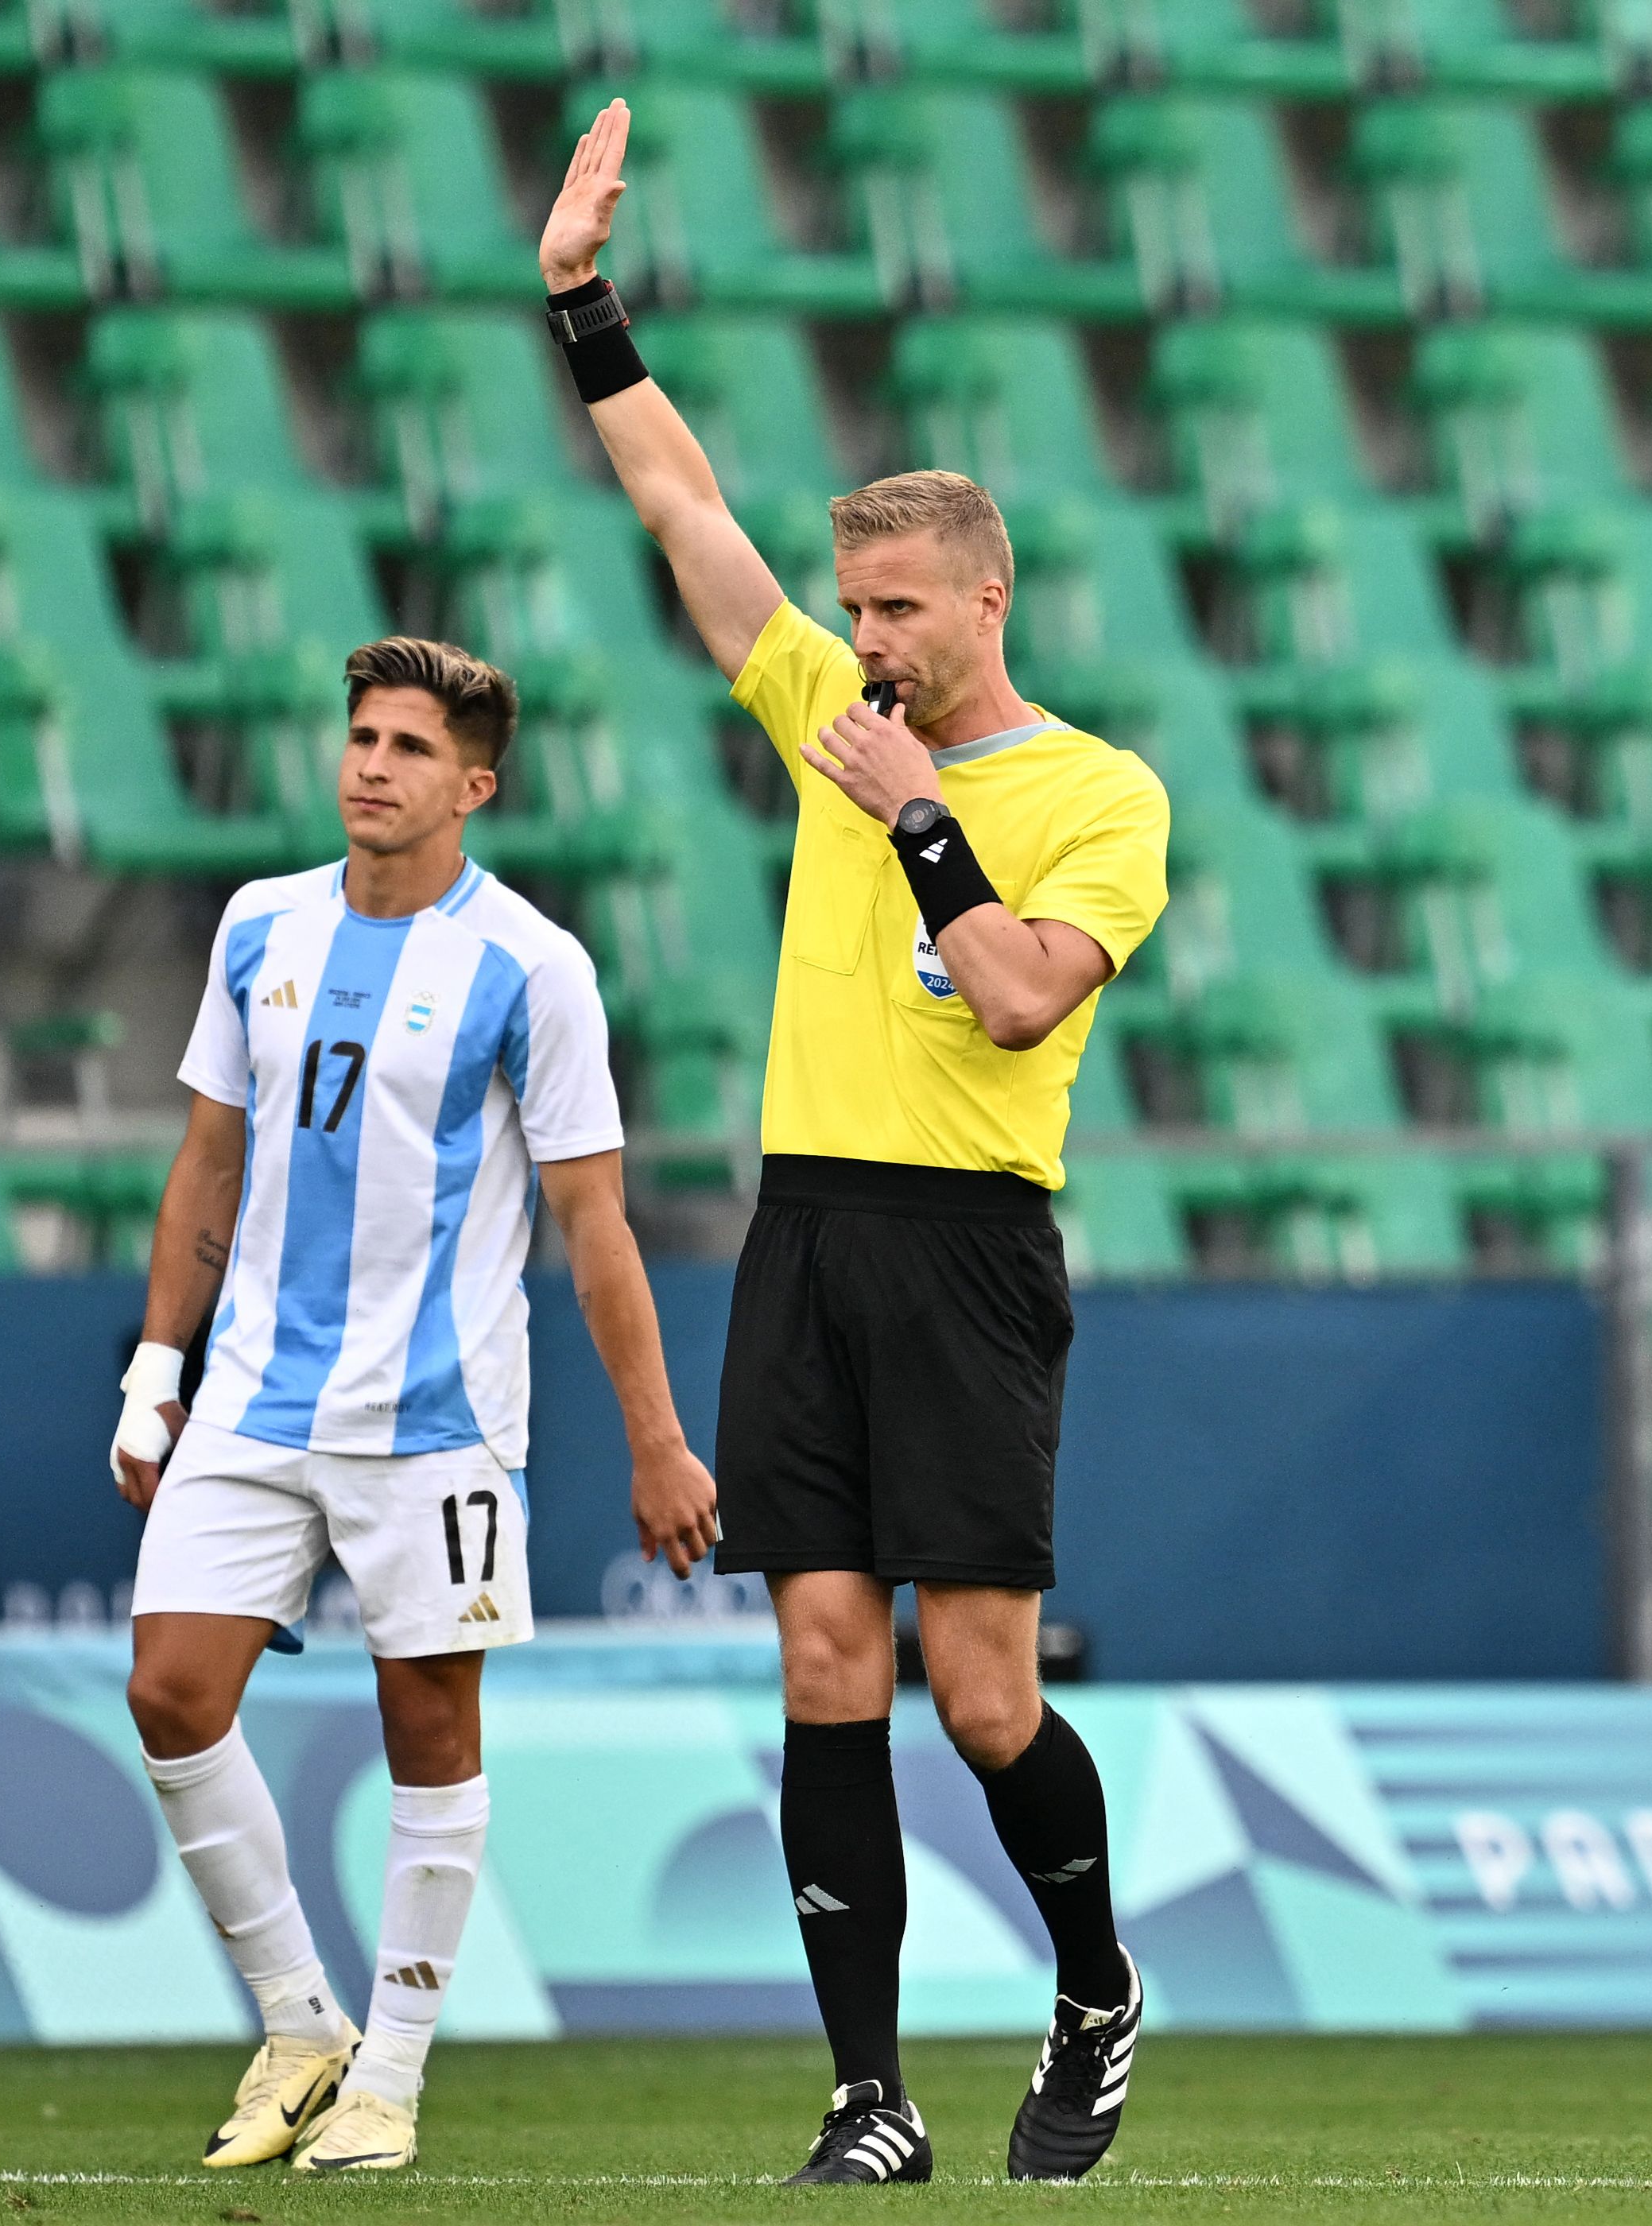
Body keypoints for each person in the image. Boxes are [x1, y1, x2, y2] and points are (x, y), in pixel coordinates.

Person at [537, 102, 1173, 2187]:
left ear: (988, 593)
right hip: (809, 1223)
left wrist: (912, 811)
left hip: (972, 1244)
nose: (866, 639)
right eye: (854, 608)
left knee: (983, 1692)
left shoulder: (1096, 794)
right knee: (825, 1654)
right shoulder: (826, 699)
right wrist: (581, 304)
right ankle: (867, 2096)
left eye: (901, 605)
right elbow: (681, 510)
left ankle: (1093, 1992)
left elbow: (1010, 993)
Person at [111, 638, 722, 2176]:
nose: (372, 765)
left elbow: (594, 1224)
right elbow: (209, 1161)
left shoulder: (533, 966)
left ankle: (386, 2078)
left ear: (476, 784)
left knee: (428, 1731)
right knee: (170, 1694)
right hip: (251, 1397)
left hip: (436, 1416)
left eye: (406, 747)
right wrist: (153, 1366)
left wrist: (655, 1436)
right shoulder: (260, 925)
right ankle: (299, 2024)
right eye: (361, 737)